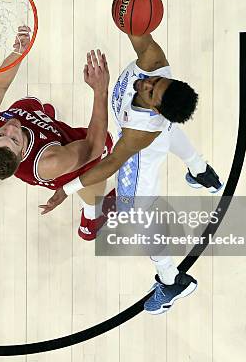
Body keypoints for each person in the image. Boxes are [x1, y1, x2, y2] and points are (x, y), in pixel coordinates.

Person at [40, 28, 223, 315]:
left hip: (138, 163)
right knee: (169, 132)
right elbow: (139, 29)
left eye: (151, 92)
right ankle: (199, 169)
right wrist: (128, 10)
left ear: (157, 110)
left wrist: (66, 189)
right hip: (160, 131)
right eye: (156, 82)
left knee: (135, 214)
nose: (147, 83)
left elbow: (110, 163)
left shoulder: (141, 131)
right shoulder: (154, 61)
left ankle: (171, 280)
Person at [0, 26, 116, 240]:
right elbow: (93, 147)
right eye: (13, 139)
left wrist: (18, 53)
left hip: (37, 128)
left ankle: (45, 120)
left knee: (26, 105)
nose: (10, 128)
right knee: (99, 159)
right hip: (67, 158)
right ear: (21, 153)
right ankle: (91, 220)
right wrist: (100, 90)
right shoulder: (52, 161)